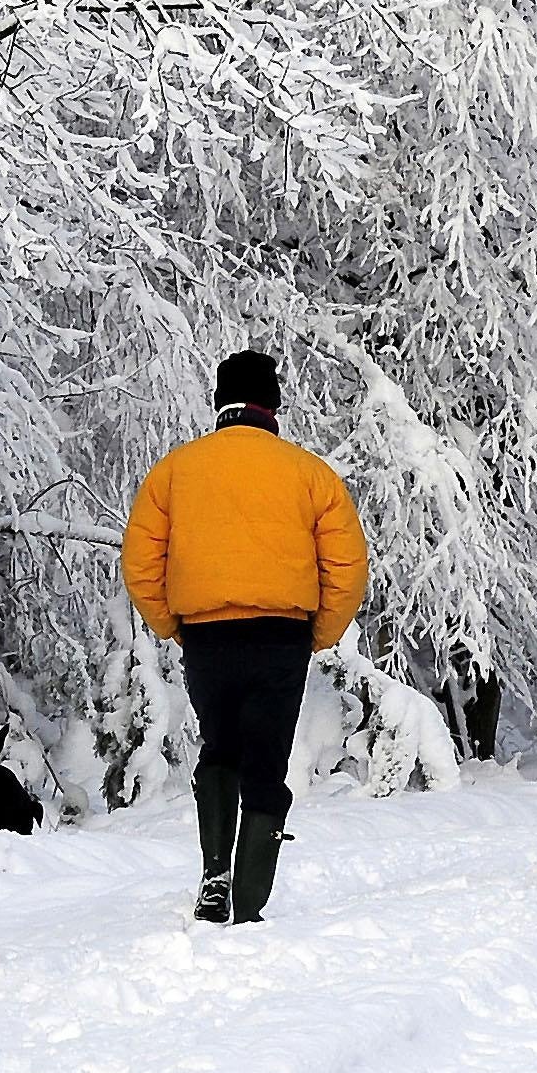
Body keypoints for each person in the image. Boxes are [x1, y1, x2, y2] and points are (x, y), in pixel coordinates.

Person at [120, 350, 368, 924]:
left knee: (220, 749)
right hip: (282, 637)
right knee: (266, 765)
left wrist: (174, 625)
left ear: (219, 404)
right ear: (273, 407)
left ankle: (215, 875)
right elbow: (348, 566)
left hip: (207, 636)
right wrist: (319, 633)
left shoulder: (176, 471)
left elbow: (140, 564)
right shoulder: (310, 474)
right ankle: (250, 904)